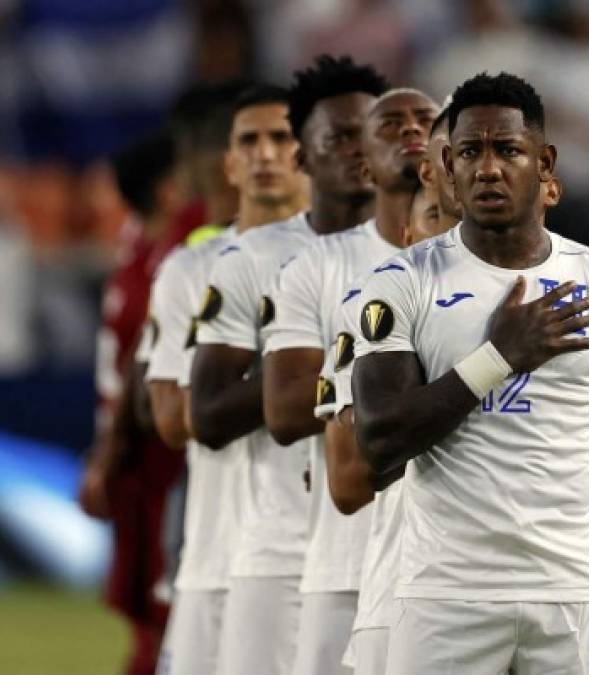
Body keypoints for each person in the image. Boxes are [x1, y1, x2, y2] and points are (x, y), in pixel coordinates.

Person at [350, 72, 589, 674]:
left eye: (509, 150)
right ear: (447, 165)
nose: (489, 168)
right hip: (444, 595)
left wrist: (546, 511)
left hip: (572, 591)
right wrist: (498, 357)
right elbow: (378, 442)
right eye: (471, 151)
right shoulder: (401, 285)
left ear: (544, 163)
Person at [189, 56, 385, 675]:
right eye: (340, 136)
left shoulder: (430, 260)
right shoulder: (254, 260)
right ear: (306, 154)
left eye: (369, 133)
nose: (359, 150)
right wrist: (310, 369)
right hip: (283, 548)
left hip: (397, 545)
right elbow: (209, 414)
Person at [262, 84, 437, 675]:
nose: (413, 131)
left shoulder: (497, 271)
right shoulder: (321, 267)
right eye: (393, 124)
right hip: (344, 558)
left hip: (456, 568)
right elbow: (285, 411)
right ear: (364, 160)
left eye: (426, 120)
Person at [143, 83, 305, 675]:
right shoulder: (190, 270)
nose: (265, 154)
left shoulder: (357, 263)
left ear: (310, 151)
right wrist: (296, 376)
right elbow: (171, 418)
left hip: (332, 559)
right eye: (250, 142)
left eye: (281, 138)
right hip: (217, 557)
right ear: (229, 163)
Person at [77, 129, 187, 675]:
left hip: (139, 449)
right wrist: (111, 448)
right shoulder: (171, 256)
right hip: (156, 451)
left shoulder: (135, 248)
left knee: (158, 614)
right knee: (164, 613)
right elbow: (142, 361)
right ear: (168, 190)